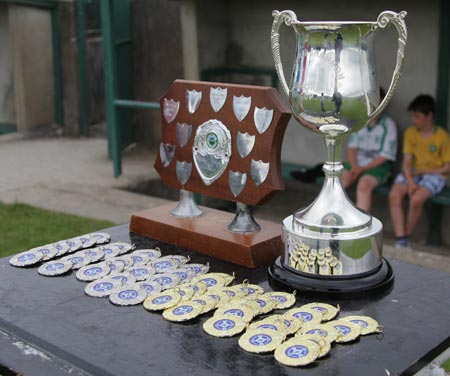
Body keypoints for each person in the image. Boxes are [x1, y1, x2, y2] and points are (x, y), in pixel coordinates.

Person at [389, 94, 450, 249]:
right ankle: (401, 236)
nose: (412, 120)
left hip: (435, 174)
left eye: (417, 116)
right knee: (394, 195)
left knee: (416, 200)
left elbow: (447, 167)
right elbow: (407, 161)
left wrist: (420, 173)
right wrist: (410, 181)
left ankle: (405, 238)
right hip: (413, 173)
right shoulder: (411, 133)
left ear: (429, 116)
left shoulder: (442, 136)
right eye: (412, 116)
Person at [341, 89, 397, 212]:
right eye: (374, 103)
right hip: (356, 164)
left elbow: (385, 156)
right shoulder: (360, 121)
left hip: (377, 167)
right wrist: (355, 167)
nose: (377, 108)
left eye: (380, 104)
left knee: (364, 186)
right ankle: (338, 219)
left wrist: (362, 169)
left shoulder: (388, 125)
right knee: (339, 181)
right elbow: (352, 149)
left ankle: (361, 225)